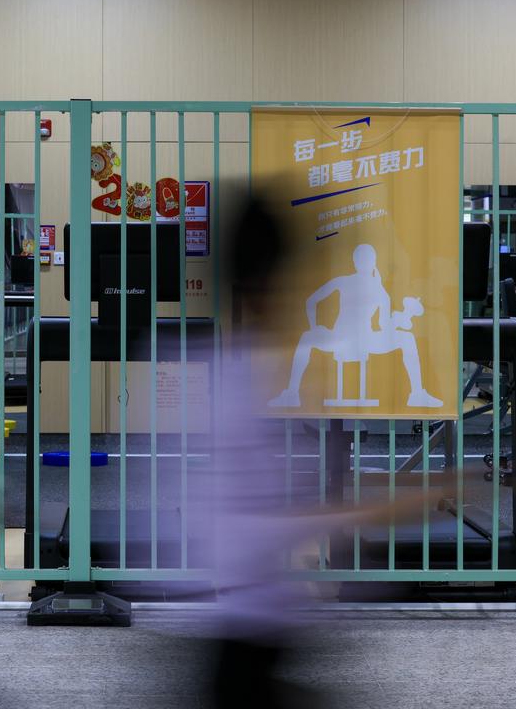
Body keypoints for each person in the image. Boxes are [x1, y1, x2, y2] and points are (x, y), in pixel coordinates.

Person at [201, 189, 455, 708]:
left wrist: (402, 318)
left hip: (261, 630)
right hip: (245, 634)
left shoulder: (371, 287)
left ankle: (418, 389)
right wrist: (380, 509)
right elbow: (251, 528)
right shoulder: (238, 385)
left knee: (405, 341)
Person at [268, 242, 441, 409]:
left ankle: (292, 394)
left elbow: (311, 302)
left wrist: (315, 327)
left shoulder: (345, 282)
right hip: (364, 340)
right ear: (373, 263)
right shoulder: (380, 291)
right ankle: (417, 394)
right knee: (407, 338)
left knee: (307, 337)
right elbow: (384, 326)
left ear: (355, 262)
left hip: (339, 339)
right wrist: (399, 321)